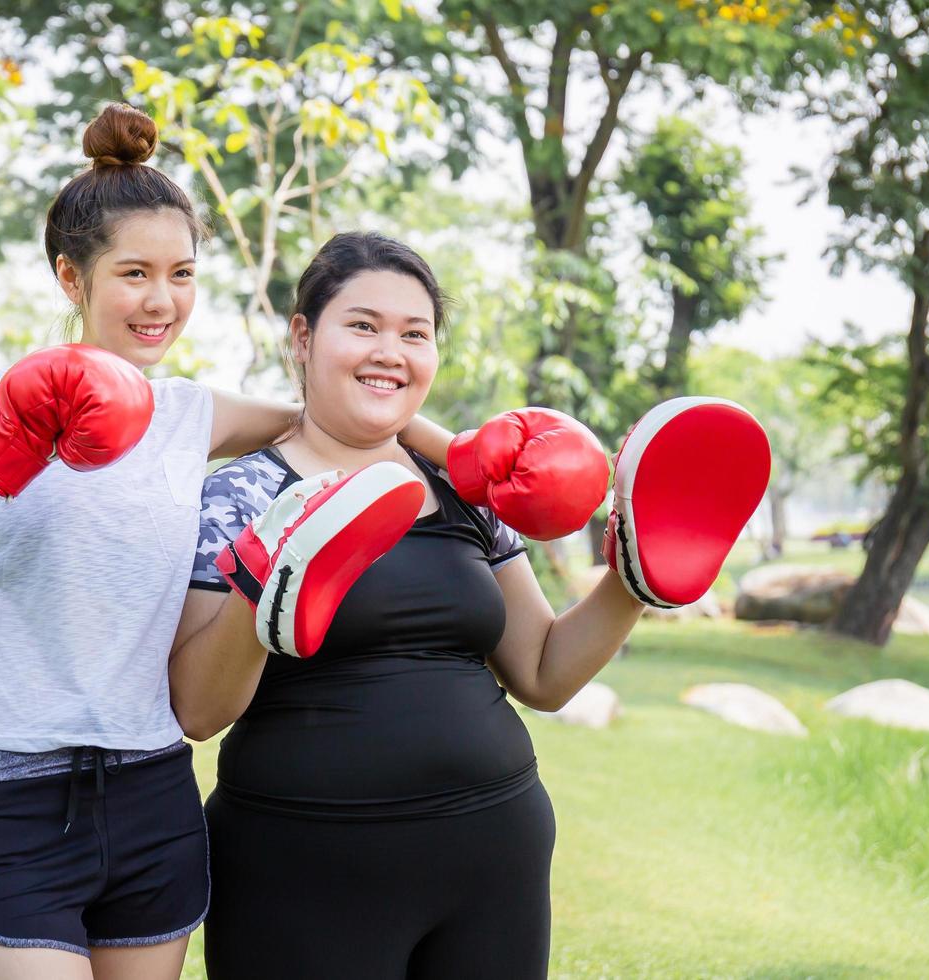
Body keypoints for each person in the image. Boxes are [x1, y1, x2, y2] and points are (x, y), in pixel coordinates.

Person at [0, 108, 451, 979]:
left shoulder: (189, 414)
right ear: (72, 278)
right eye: (135, 273)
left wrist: (481, 456)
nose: (161, 300)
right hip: (10, 787)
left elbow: (343, 410)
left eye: (181, 274)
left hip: (153, 788)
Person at [170, 231, 769, 979]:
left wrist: (633, 581)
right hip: (305, 863)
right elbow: (198, 710)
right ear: (303, 337)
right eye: (362, 325)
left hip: (493, 851)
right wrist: (264, 578)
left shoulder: (467, 491)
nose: (391, 350)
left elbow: (543, 673)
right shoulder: (241, 494)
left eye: (414, 334)